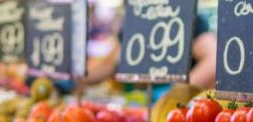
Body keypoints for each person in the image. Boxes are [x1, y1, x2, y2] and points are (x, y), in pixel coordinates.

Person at [84, 14, 217, 92]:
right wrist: (76, 75)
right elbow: (109, 63)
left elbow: (213, 59)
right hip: (140, 109)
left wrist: (175, 94)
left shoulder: (185, 15)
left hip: (180, 112)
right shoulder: (135, 19)